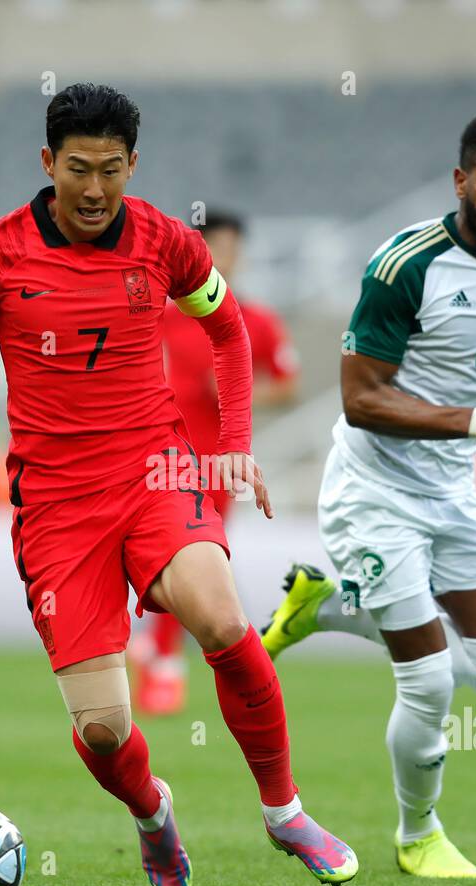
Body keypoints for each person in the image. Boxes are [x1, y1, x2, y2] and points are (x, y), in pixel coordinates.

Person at [0, 83, 357, 886]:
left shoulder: (164, 241)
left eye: (112, 170)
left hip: (157, 472)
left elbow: (228, 329)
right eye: (78, 168)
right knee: (106, 729)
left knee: (220, 617)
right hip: (56, 504)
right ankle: (153, 815)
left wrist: (236, 446)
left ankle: (285, 810)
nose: (95, 189)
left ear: (133, 165)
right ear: (47, 162)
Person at [261, 110, 476, 879]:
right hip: (373, 488)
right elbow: (361, 398)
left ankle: (324, 606)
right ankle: (418, 834)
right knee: (427, 678)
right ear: (461, 180)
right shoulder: (404, 265)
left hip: (449, 489)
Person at [132, 210, 301, 715]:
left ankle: (161, 661)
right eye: (216, 246)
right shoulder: (161, 315)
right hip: (158, 458)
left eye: (233, 247)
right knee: (170, 559)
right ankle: (160, 659)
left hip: (220, 464)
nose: (225, 256)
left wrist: (237, 390)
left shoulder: (258, 321)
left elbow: (288, 385)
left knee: (192, 560)